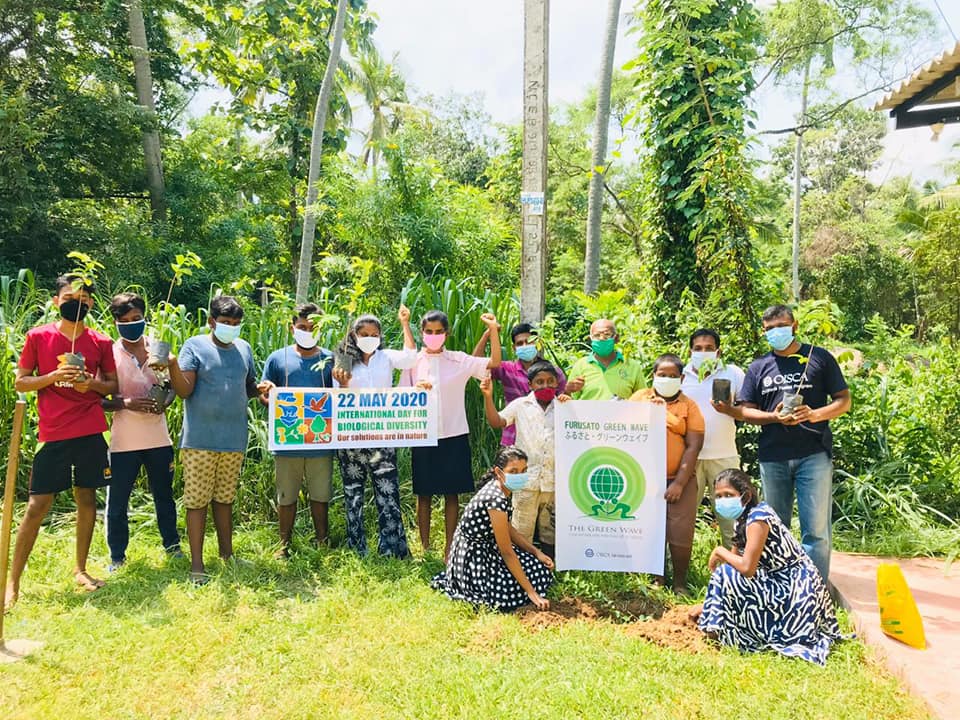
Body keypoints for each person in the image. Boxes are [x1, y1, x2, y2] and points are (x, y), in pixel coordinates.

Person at [5, 273, 118, 610]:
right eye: (69, 297)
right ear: (56, 301)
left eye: (83, 299)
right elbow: (21, 383)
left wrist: (91, 386)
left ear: (91, 304)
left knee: (87, 498)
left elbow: (111, 385)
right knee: (38, 506)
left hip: (90, 431)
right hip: (53, 433)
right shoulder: (38, 337)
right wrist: (52, 377)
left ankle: (81, 570)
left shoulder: (100, 342)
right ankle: (12, 583)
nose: (76, 303)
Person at [714, 304, 851, 580]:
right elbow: (744, 410)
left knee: (816, 531)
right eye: (769, 329)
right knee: (773, 525)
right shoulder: (759, 367)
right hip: (772, 456)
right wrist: (773, 417)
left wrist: (815, 414)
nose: (776, 332)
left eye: (781, 326)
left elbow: (843, 401)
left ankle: (814, 590)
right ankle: (780, 586)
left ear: (794, 325)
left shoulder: (819, 358)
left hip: (814, 453)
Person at [691, 469, 843, 666]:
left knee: (726, 571)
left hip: (794, 590)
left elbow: (746, 568)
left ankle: (717, 629)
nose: (723, 500)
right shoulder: (743, 519)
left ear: (745, 496)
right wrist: (710, 603)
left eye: (729, 495)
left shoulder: (758, 518)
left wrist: (720, 551)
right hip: (777, 582)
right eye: (719, 496)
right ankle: (716, 622)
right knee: (726, 573)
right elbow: (734, 564)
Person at [167, 295, 258, 584]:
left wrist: (263, 391)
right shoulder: (195, 346)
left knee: (225, 499)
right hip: (201, 440)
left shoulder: (243, 348)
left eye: (236, 324)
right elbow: (184, 390)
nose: (231, 328)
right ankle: (197, 564)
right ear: (211, 321)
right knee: (197, 501)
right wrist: (171, 367)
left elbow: (249, 387)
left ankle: (227, 554)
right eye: (226, 323)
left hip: (234, 438)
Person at [403, 310, 501, 560]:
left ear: (447, 333)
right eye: (429, 332)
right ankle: (424, 548)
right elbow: (401, 393)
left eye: (439, 332)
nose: (433, 336)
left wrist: (493, 331)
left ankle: (449, 547)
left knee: (451, 493)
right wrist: (415, 389)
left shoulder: (457, 360)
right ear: (422, 333)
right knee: (423, 493)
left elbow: (492, 363)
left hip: (455, 434)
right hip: (423, 434)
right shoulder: (413, 362)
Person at [102, 293, 182, 570]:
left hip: (158, 438)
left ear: (144, 317)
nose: (131, 325)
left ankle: (173, 546)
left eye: (136, 319)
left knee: (164, 495)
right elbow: (98, 399)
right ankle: (117, 557)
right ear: (115, 323)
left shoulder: (158, 350)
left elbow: (173, 387)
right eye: (124, 321)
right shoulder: (109, 353)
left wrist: (165, 403)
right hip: (124, 441)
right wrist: (126, 402)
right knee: (118, 501)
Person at [331, 305, 417, 558]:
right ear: (355, 336)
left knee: (388, 493)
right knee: (353, 494)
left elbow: (411, 357)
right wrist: (344, 384)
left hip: (382, 437)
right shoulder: (343, 359)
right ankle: (357, 548)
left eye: (374, 334)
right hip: (352, 438)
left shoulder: (387, 357)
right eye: (364, 334)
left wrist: (405, 323)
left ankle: (393, 548)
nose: (370, 338)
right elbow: (336, 398)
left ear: (380, 337)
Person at [431, 446, 554, 611]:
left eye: (524, 470)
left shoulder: (500, 489)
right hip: (474, 559)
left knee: (537, 567)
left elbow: (508, 529)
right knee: (517, 587)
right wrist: (532, 593)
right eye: (514, 471)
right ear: (499, 472)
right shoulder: (495, 499)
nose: (520, 476)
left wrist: (535, 552)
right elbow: (507, 552)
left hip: (485, 549)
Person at [257, 303, 334, 557]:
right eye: (302, 327)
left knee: (321, 495)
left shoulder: (330, 359)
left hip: (321, 441)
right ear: (293, 329)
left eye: (313, 327)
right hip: (287, 440)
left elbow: (344, 393)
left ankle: (323, 543)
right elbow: (265, 395)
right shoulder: (278, 358)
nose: (307, 331)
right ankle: (283, 546)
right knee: (286, 496)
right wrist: (267, 395)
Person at [629, 354, 704, 595]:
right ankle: (656, 578)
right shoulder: (640, 398)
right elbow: (617, 425)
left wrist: (680, 484)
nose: (667, 379)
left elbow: (694, 446)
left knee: (680, 533)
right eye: (662, 375)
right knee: (650, 530)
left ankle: (680, 582)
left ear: (682, 378)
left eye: (673, 376)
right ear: (653, 375)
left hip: (678, 480)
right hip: (644, 480)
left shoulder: (689, 406)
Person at [479, 361, 566, 557]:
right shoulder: (520, 405)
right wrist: (488, 397)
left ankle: (548, 569)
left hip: (553, 482)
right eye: (540, 382)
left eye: (550, 381)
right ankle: (523, 568)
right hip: (527, 482)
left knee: (550, 531)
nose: (545, 386)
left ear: (556, 383)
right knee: (522, 530)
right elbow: (496, 421)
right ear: (530, 385)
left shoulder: (563, 406)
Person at [680, 328, 745, 549]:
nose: (703, 352)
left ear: (718, 352)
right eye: (698, 348)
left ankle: (737, 570)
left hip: (725, 457)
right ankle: (675, 569)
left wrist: (729, 410)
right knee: (682, 517)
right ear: (690, 351)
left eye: (709, 348)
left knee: (732, 520)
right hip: (688, 460)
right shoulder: (680, 376)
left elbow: (747, 409)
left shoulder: (734, 373)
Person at [472, 322, 566, 446]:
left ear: (538, 343)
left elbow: (562, 404)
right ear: (514, 348)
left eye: (529, 341)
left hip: (545, 443)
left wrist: (568, 393)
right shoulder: (507, 369)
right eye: (520, 343)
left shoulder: (554, 373)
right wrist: (489, 333)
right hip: (513, 440)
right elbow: (476, 364)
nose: (525, 345)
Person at [565, 318, 644, 400]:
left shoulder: (633, 366)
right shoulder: (580, 366)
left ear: (616, 338)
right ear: (590, 339)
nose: (601, 338)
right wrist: (567, 391)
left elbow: (643, 398)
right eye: (597, 335)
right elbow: (569, 400)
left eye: (607, 334)